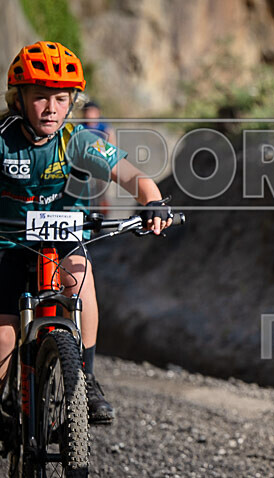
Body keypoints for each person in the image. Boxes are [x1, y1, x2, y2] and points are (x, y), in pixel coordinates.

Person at [0, 41, 173, 424]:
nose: (51, 108)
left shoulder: (76, 141)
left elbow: (132, 177)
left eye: (61, 99)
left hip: (60, 237)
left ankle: (87, 379)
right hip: (7, 242)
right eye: (40, 97)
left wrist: (153, 203)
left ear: (72, 101)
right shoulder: (3, 138)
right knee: (5, 336)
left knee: (80, 277)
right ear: (19, 99)